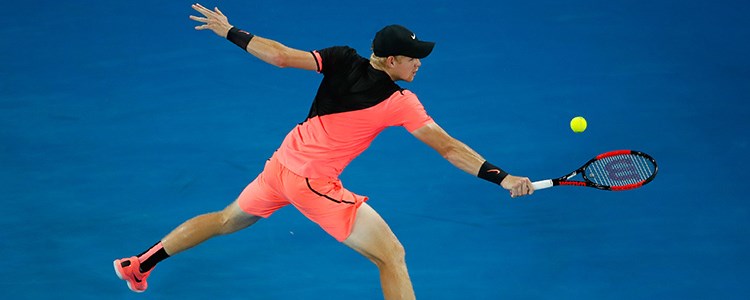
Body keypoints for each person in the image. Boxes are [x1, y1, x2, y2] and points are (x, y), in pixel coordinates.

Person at [113, 3, 534, 299]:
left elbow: (278, 56)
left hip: (281, 165)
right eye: (412, 58)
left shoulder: (339, 57)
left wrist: (230, 31)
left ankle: (139, 264)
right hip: (313, 183)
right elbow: (448, 147)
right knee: (392, 256)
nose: (419, 64)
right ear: (390, 61)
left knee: (226, 220)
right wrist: (504, 177)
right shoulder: (399, 102)